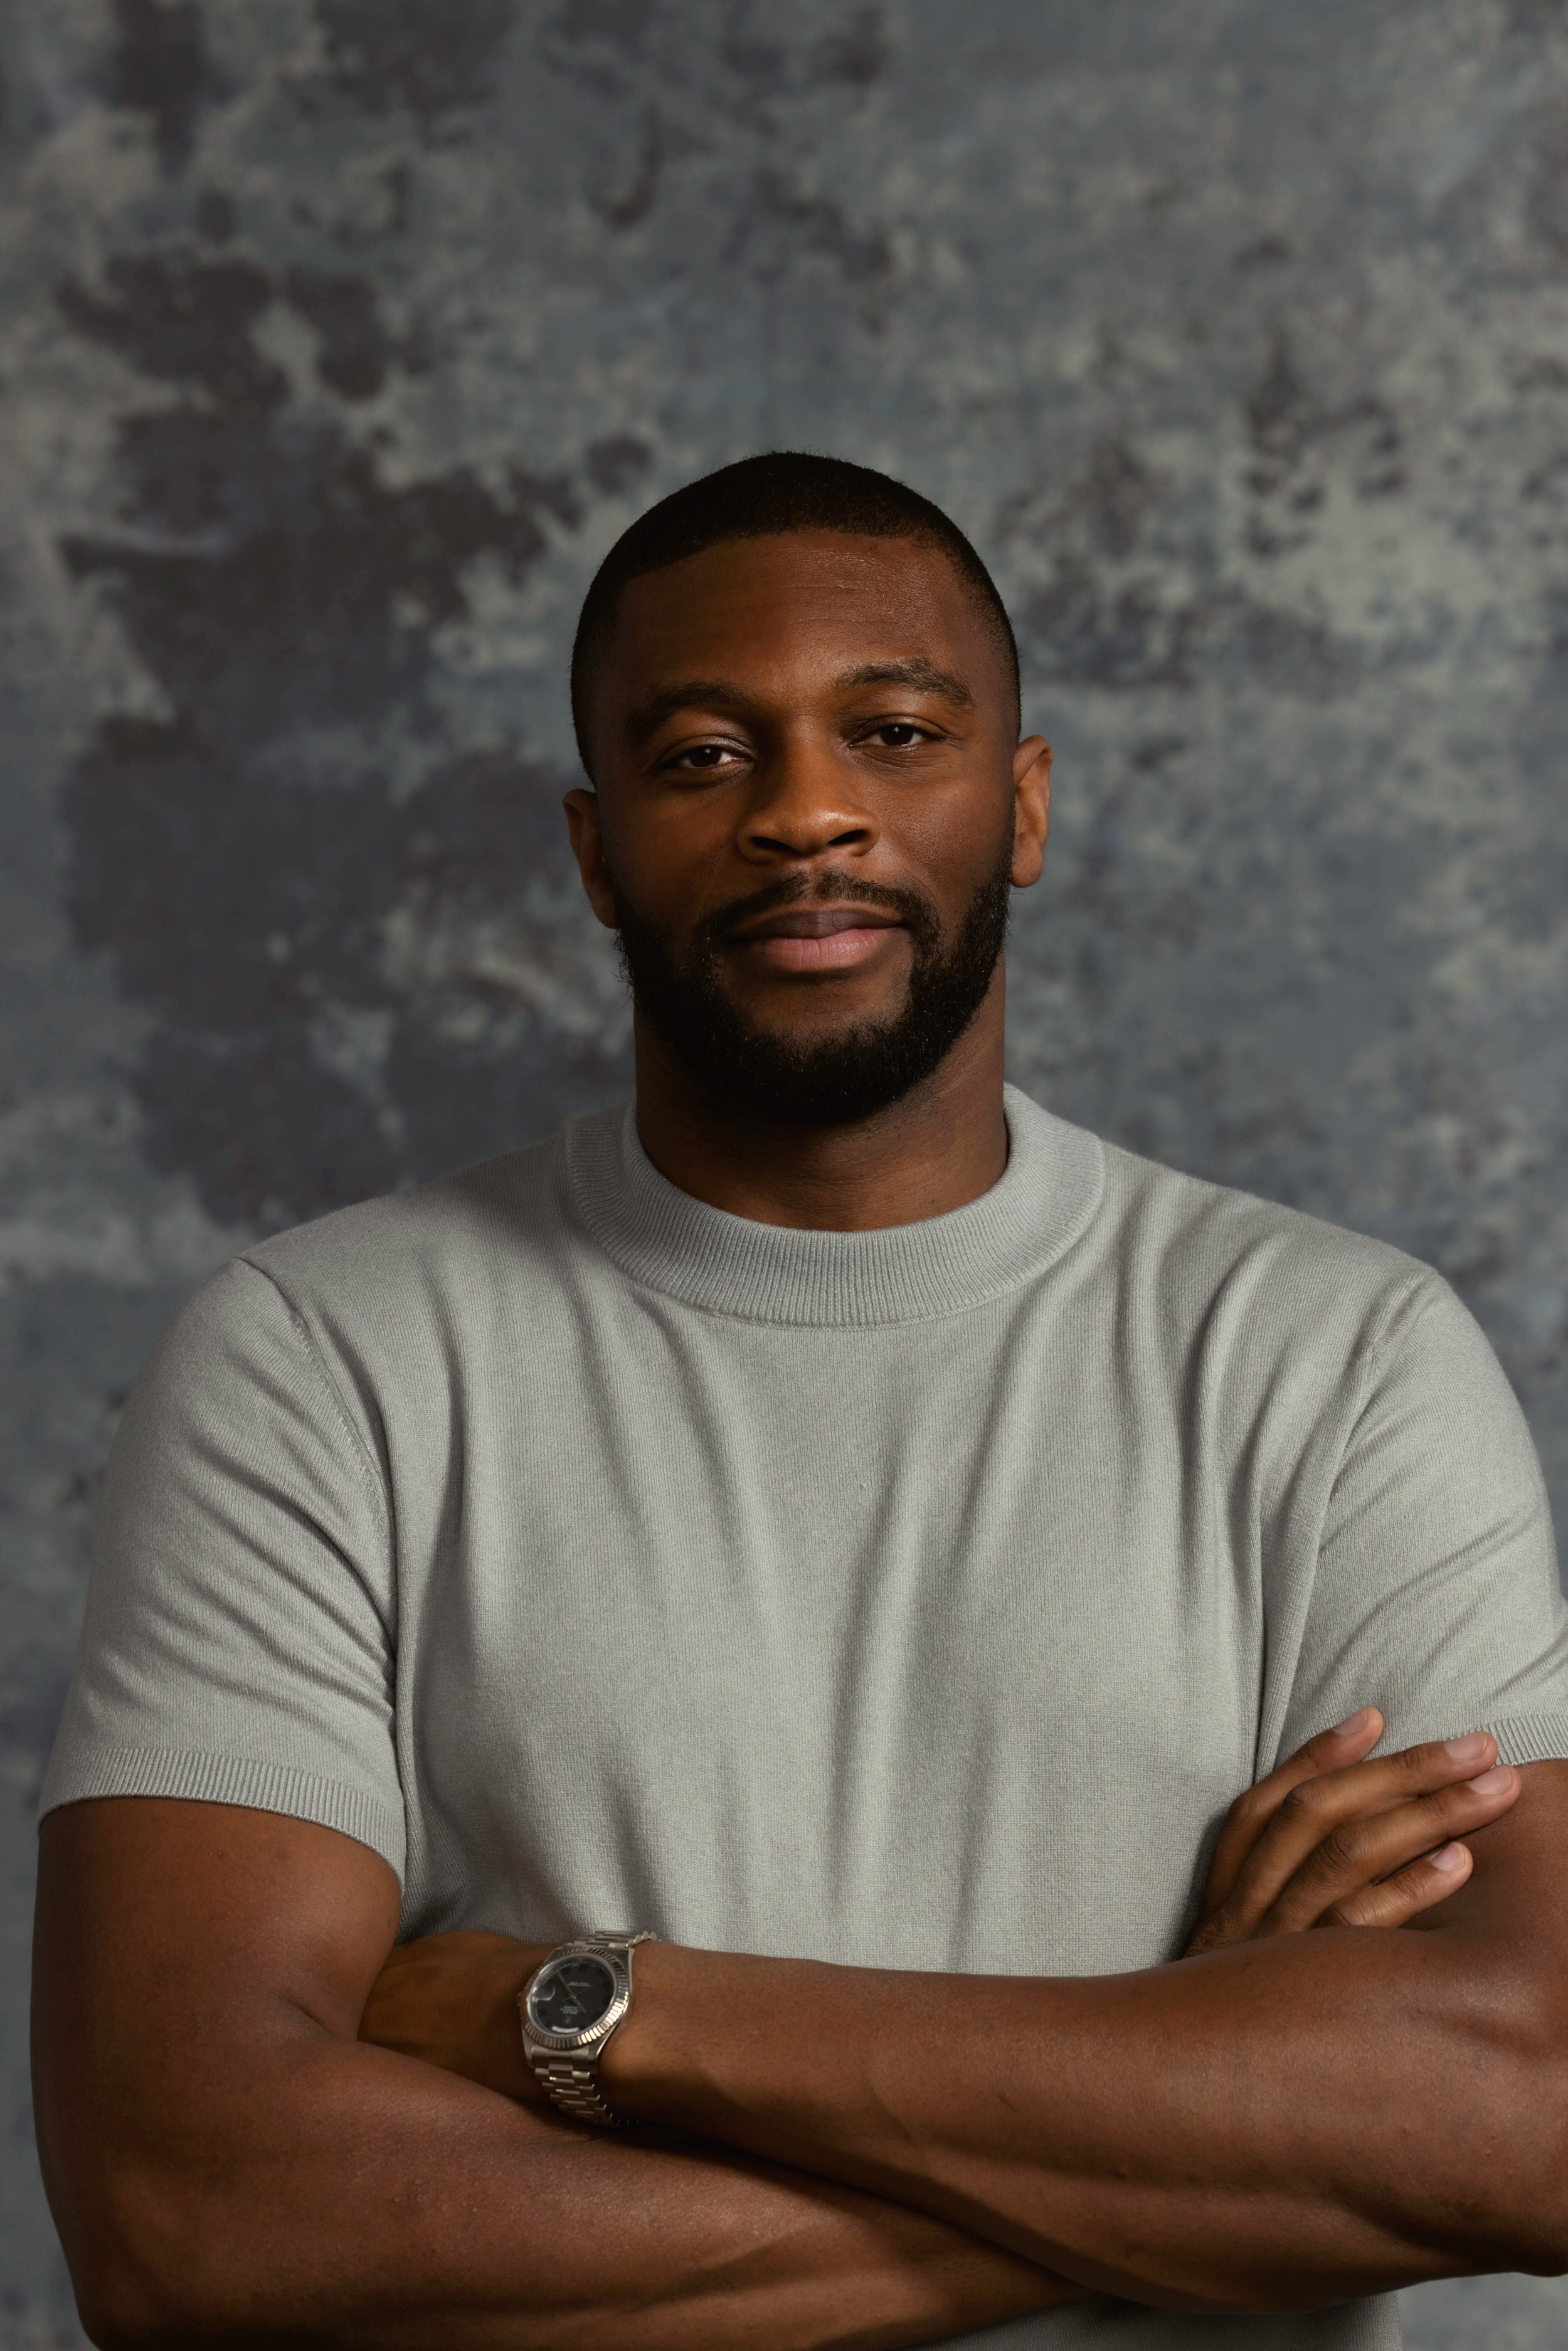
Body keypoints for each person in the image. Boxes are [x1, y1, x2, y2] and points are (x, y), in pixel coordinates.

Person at [31, 453, 1568, 2351]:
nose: (807, 812)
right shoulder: (315, 1359)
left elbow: (1530, 2121)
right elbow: (188, 2222)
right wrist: (1205, 2122)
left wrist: (589, 2013)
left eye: (894, 731)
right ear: (595, 850)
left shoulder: (1331, 1360)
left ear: (1020, 804)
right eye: (700, 755)